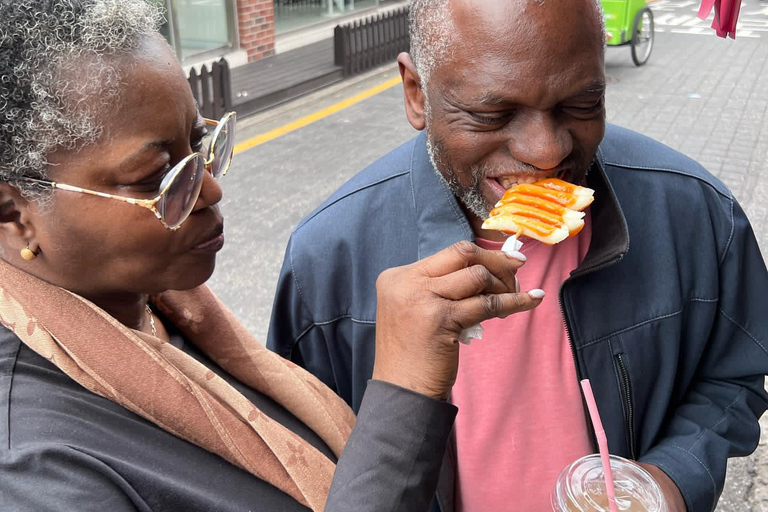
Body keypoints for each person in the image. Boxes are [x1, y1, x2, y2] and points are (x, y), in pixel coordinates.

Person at [0, 1, 545, 511]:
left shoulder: (166, 309)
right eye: (156, 178)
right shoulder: (35, 470)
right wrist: (401, 395)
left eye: (202, 145)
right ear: (12, 210)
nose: (211, 191)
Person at [266, 0, 768, 511]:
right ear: (417, 94)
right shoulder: (327, 257)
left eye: (581, 104)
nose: (545, 151)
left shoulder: (694, 212)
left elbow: (734, 374)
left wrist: (675, 478)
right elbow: (301, 452)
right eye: (491, 114)